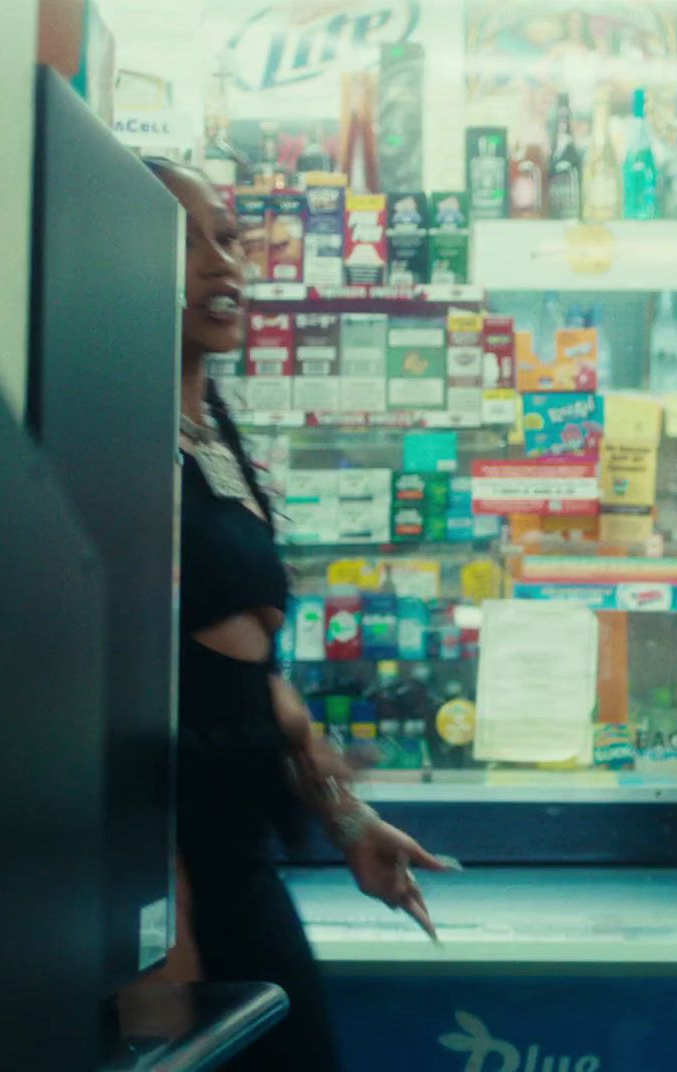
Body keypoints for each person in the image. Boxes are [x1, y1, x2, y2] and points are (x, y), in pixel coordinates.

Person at [144, 157, 447, 1070]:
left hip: (238, 859)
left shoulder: (214, 439)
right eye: (183, 241)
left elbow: (263, 684)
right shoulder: (111, 439)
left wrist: (349, 824)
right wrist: (159, 912)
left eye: (228, 239)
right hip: (169, 871)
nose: (219, 265)